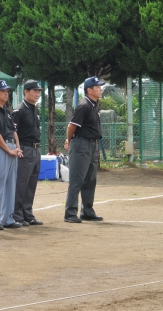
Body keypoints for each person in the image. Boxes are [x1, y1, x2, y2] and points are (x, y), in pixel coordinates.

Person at [63, 76, 105, 223]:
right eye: (97, 87)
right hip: (81, 144)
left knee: (90, 179)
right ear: (89, 90)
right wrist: (69, 139)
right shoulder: (84, 105)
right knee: (77, 179)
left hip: (92, 144)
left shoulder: (93, 105)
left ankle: (87, 211)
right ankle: (70, 213)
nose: (100, 89)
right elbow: (71, 126)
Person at [0, 80, 23, 231]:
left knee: (10, 185)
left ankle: (7, 218)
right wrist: (9, 150)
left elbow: (14, 131)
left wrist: (18, 148)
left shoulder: (6, 111)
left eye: (6, 91)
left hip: (11, 147)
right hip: (0, 148)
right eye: (2, 91)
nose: (6, 93)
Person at [12, 80, 44, 227]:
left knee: (31, 184)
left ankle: (28, 214)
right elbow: (14, 132)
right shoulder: (19, 110)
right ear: (25, 92)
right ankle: (17, 214)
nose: (37, 94)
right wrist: (18, 148)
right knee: (21, 183)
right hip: (24, 149)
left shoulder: (34, 109)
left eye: (38, 91)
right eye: (34, 91)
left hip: (36, 149)